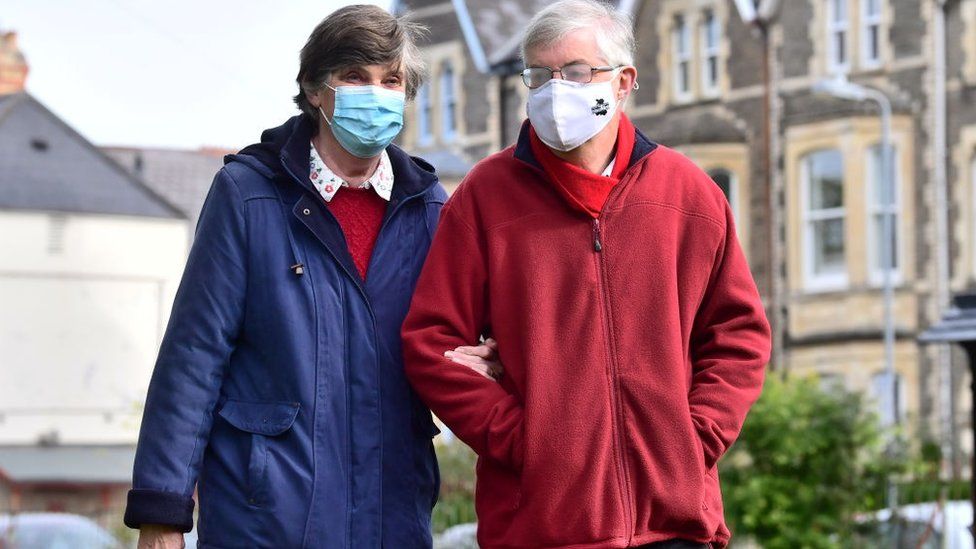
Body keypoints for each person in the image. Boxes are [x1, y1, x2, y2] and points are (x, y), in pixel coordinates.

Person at [401, 1, 772, 547]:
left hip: (674, 525)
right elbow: (431, 343)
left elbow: (738, 335)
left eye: (575, 72)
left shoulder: (689, 193)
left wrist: (691, 439)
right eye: (539, 75)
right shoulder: (484, 197)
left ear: (624, 82)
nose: (556, 90)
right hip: (541, 526)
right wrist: (526, 439)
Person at [123, 5, 496, 548]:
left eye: (390, 80)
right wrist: (162, 512)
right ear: (315, 89)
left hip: (392, 512)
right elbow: (194, 356)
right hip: (265, 517)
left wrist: (483, 357)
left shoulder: (429, 207)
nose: (376, 94)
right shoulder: (249, 194)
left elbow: (455, 341)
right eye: (354, 77)